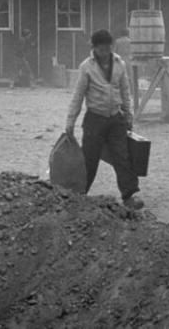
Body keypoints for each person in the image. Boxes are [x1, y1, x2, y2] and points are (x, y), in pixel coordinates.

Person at [64, 29, 143, 210]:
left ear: (112, 47)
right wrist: (70, 122)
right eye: (101, 50)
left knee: (122, 157)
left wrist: (128, 114)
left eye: (108, 49)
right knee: (89, 160)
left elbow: (125, 91)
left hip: (116, 119)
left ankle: (129, 195)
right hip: (94, 119)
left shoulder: (120, 64)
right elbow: (78, 96)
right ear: (94, 48)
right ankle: (79, 196)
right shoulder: (86, 67)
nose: (105, 53)